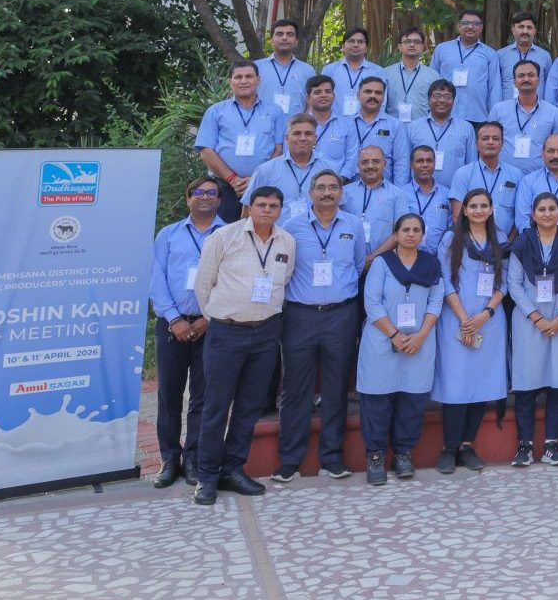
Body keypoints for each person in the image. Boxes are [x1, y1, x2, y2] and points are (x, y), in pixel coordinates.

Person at [189, 186, 295, 505]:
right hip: (227, 332)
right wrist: (220, 316)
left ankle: (232, 468)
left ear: (280, 210)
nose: (267, 210)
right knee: (216, 406)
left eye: (273, 206)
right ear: (250, 207)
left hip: (266, 332)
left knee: (250, 405)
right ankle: (207, 476)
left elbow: (285, 280)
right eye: (261, 204)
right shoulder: (224, 237)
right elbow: (203, 284)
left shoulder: (287, 242)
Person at [272, 170, 365, 484]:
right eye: (321, 187)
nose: (327, 192)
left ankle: (332, 457)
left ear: (341, 193)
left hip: (341, 315)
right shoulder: (292, 226)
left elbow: (357, 264)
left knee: (336, 389)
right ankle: (289, 460)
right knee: (296, 389)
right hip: (300, 316)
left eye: (333, 187)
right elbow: (283, 269)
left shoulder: (352, 225)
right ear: (310, 193)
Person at [356, 213, 447, 485]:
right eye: (405, 230)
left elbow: (436, 301)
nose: (411, 234)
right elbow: (372, 303)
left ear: (423, 235)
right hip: (383, 340)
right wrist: (394, 335)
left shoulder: (431, 264)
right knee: (377, 400)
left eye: (416, 230)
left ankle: (403, 453)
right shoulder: (382, 263)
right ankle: (375, 455)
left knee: (412, 401)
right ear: (395, 234)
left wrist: (422, 334)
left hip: (419, 341)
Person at [147, 178, 225, 487]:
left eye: (211, 193)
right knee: (169, 395)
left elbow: (231, 281)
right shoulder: (168, 235)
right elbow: (157, 280)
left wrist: (208, 316)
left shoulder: (230, 234)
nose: (205, 197)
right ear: (188, 197)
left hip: (211, 325)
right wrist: (174, 319)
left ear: (219, 200)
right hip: (172, 326)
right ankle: (169, 459)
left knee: (202, 397)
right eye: (199, 192)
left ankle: (193, 458)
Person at [434, 189, 507, 474]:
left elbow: (504, 284)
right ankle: (449, 447)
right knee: (456, 383)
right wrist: (466, 319)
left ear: (491, 209)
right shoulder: (450, 239)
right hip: (456, 318)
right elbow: (444, 281)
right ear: (464, 210)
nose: (478, 210)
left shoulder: (500, 238)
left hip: (489, 320)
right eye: (473, 206)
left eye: (483, 205)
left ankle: (467, 445)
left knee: (481, 381)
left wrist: (484, 315)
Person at [506, 193, 558, 468]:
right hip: (529, 318)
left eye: (551, 209)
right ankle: (524, 446)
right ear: (533, 214)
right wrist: (537, 317)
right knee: (526, 384)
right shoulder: (522, 242)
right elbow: (514, 284)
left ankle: (552, 445)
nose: (547, 213)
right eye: (541, 209)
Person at [243, 114, 336, 222]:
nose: (302, 138)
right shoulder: (265, 171)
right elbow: (247, 210)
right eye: (296, 133)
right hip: (277, 232)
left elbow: (338, 206)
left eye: (308, 134)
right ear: (286, 138)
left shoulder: (329, 169)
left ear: (315, 139)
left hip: (316, 232)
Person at [488, 59, 558, 176]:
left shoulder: (554, 113)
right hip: (503, 176)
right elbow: (488, 144)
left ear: (538, 80)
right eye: (521, 76)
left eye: (531, 75)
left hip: (540, 177)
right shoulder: (498, 110)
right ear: (514, 82)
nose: (526, 79)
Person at [378, 147, 454, 261]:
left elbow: (450, 231)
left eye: (429, 161)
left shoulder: (447, 195)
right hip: (403, 260)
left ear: (434, 164)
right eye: (420, 161)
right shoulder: (400, 194)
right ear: (411, 165)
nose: (425, 165)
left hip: (437, 260)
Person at [429, 9, 500, 123]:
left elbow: (494, 88)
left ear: (481, 27)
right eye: (466, 23)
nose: (470, 27)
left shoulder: (490, 54)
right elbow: (431, 81)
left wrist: (493, 119)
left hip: (477, 116)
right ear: (459, 26)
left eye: (475, 23)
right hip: (444, 114)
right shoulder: (442, 49)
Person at [451, 121, 518, 233]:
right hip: (471, 240)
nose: (490, 142)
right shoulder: (463, 174)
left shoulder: (516, 175)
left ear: (502, 144)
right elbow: (457, 216)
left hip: (506, 241)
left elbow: (520, 215)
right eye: (485, 138)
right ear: (476, 144)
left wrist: (509, 241)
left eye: (495, 139)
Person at [403, 80, 472, 189]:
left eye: (448, 97)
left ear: (453, 101)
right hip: (418, 194)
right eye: (437, 96)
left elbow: (471, 166)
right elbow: (405, 164)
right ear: (428, 99)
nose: (442, 100)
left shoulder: (466, 128)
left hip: (456, 193)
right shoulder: (412, 128)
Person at [332, 78, 403, 183]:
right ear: (358, 95)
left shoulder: (395, 125)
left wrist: (399, 190)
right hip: (348, 186)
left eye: (378, 93)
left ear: (383, 97)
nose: (373, 96)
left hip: (383, 189)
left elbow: (401, 162)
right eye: (368, 91)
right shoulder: (344, 124)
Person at [321, 27, 389, 116]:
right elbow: (322, 99)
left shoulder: (378, 72)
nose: (356, 45)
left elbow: (381, 102)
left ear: (366, 48)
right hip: (335, 122)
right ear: (343, 46)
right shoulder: (329, 70)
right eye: (351, 41)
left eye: (360, 42)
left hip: (366, 122)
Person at [256, 19, 317, 116]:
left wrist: (305, 121)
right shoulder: (256, 68)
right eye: (279, 34)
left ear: (296, 41)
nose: (284, 38)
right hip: (262, 124)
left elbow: (312, 101)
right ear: (271, 40)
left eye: (290, 34)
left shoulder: (307, 70)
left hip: (296, 125)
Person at [496, 11, 552, 99]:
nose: (525, 31)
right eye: (521, 27)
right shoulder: (500, 55)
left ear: (534, 31)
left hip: (537, 106)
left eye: (529, 27)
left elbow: (549, 87)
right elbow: (496, 86)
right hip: (507, 106)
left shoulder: (545, 56)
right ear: (513, 30)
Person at [385, 27, 434, 123]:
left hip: (422, 127)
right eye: (407, 41)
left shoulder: (433, 76)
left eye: (417, 42)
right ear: (400, 47)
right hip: (392, 127)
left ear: (422, 47)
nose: (412, 44)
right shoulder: (386, 73)